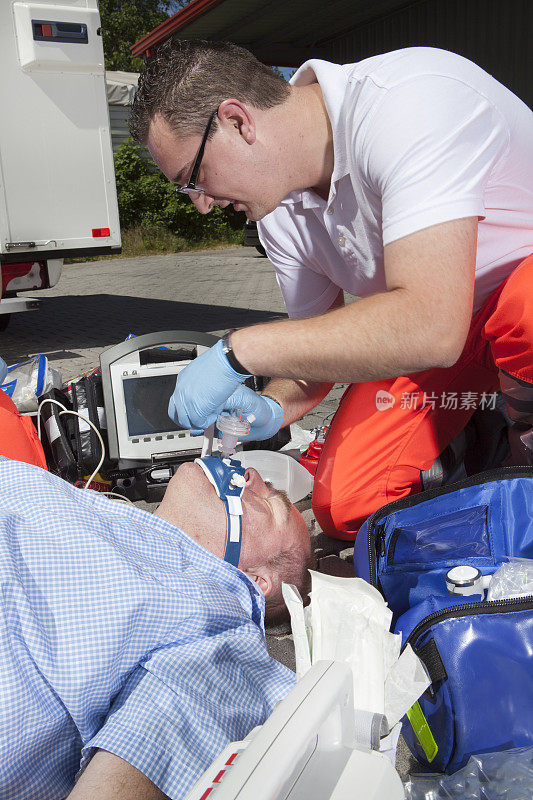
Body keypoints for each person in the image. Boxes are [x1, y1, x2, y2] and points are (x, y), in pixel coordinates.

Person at [130, 39, 533, 540]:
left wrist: (241, 351)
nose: (202, 205)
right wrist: (273, 406)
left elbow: (430, 323)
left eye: (195, 178)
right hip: (456, 327)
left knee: (525, 309)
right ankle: (482, 443)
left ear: (237, 120)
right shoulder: (277, 213)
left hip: (498, 309)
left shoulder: (409, 103)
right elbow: (315, 355)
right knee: (348, 504)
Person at [0, 454, 311, 800]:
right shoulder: (105, 520)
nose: (250, 475)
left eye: (268, 504)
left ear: (257, 580)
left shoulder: (217, 631)